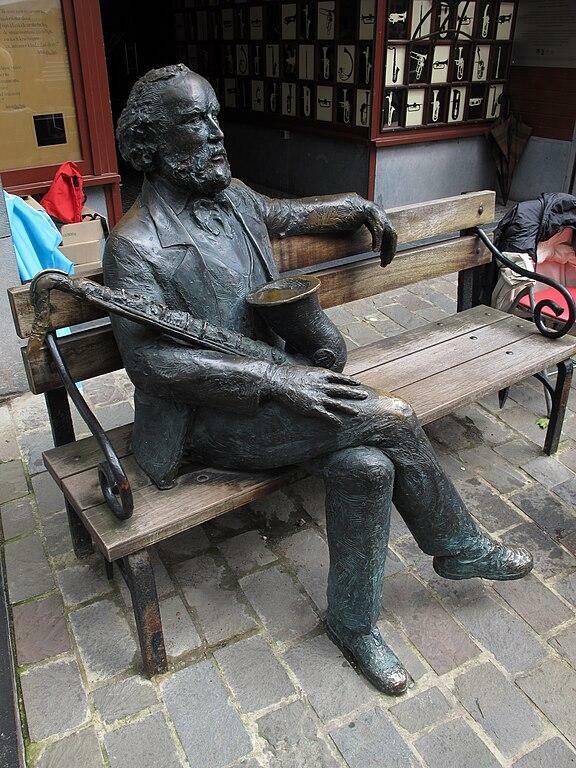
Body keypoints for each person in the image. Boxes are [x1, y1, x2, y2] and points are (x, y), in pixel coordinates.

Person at [105, 64, 532, 696]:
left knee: (368, 468)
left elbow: (284, 214)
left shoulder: (234, 199)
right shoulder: (135, 244)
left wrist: (355, 205)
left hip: (279, 393)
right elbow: (154, 366)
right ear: (151, 147)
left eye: (215, 115)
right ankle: (456, 544)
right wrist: (279, 385)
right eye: (196, 121)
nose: (217, 133)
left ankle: (352, 625)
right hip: (209, 422)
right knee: (389, 415)